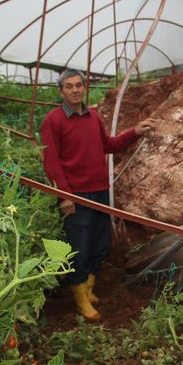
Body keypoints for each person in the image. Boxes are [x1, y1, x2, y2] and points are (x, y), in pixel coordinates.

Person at [40, 69, 154, 321]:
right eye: (69, 86)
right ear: (61, 91)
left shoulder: (92, 116)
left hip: (100, 191)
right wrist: (65, 196)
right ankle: (80, 298)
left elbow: (108, 145)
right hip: (76, 196)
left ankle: (89, 289)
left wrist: (135, 131)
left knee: (99, 243)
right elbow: (51, 162)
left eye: (78, 85)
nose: (75, 90)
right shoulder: (53, 121)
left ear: (84, 87)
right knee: (79, 248)